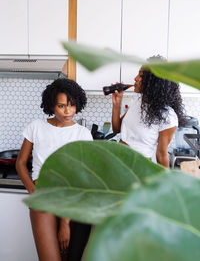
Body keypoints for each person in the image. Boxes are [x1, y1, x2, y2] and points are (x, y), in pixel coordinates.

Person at [16, 78, 93, 261]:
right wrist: (34, 193)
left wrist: (65, 222)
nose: (68, 111)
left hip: (73, 198)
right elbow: (20, 163)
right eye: (61, 106)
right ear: (52, 105)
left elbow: (83, 176)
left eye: (72, 105)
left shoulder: (82, 133)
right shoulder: (36, 127)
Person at [112, 57, 185, 168]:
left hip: (139, 167)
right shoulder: (138, 102)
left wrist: (166, 182)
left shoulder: (168, 117)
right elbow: (117, 129)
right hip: (119, 161)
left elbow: (161, 155)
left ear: (154, 82)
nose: (135, 78)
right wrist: (117, 104)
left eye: (141, 76)